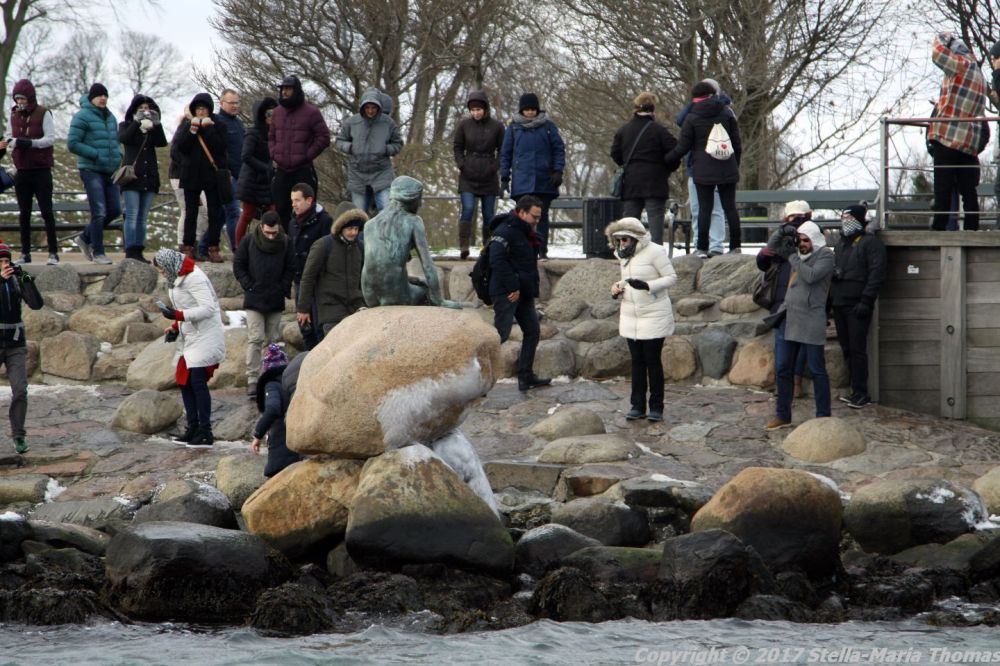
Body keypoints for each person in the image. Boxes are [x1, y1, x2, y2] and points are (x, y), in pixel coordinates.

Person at [606, 217, 677, 422]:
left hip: (654, 314)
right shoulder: (623, 255)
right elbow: (626, 279)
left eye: (625, 239)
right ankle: (637, 405)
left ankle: (656, 406)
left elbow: (671, 277)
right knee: (637, 362)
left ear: (635, 238)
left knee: (652, 361)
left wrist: (648, 286)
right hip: (631, 315)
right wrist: (617, 287)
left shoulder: (655, 251)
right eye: (618, 240)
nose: (621, 244)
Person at [154, 248, 226, 447]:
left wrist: (179, 316)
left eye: (163, 270)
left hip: (205, 335)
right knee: (184, 380)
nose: (162, 274)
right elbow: (185, 307)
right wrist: (175, 326)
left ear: (170, 265)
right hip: (190, 335)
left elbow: (208, 308)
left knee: (197, 381)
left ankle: (205, 431)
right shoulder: (176, 277)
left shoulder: (195, 278)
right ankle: (192, 427)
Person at [767, 221, 834, 430]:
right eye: (799, 240)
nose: (802, 244)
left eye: (806, 240)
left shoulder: (826, 255)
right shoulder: (796, 253)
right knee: (782, 368)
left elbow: (811, 276)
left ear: (814, 239)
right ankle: (783, 415)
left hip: (811, 319)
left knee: (817, 369)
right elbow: (771, 246)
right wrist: (782, 232)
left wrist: (792, 257)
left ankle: (823, 416)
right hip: (789, 318)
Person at [664, 81, 742, 259]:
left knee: (704, 209)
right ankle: (735, 246)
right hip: (727, 167)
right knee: (730, 207)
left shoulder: (692, 117)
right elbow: (737, 144)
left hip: (702, 170)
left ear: (695, 98)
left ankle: (702, 248)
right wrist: (734, 164)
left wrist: (666, 160)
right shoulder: (727, 113)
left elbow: (682, 147)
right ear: (713, 94)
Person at [360, 176, 459, 308]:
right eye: (420, 199)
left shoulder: (369, 225)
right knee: (425, 290)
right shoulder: (413, 221)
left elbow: (376, 265)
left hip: (369, 295)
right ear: (411, 199)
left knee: (416, 282)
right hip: (396, 296)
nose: (420, 204)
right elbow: (428, 266)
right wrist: (439, 300)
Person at [488, 195, 551, 391]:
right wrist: (513, 287)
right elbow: (496, 260)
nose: (537, 221)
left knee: (532, 331)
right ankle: (478, 379)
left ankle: (526, 376)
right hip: (507, 292)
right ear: (522, 212)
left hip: (523, 291)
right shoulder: (505, 230)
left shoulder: (526, 232)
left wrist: (524, 288)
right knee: (499, 336)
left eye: (539, 217)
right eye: (534, 216)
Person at [928, 32, 988, 231]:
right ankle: (972, 230)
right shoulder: (979, 75)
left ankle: (938, 230)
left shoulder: (960, 64)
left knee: (942, 188)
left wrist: (943, 38)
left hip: (948, 136)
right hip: (968, 141)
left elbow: (937, 54)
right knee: (968, 190)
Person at [233, 210, 295, 397]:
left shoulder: (286, 242)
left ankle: (268, 376)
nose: (271, 236)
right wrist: (249, 285)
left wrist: (283, 287)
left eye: (274, 233)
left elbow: (291, 267)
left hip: (275, 298)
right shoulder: (249, 241)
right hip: (254, 298)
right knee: (255, 338)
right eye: (268, 232)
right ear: (261, 227)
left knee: (272, 340)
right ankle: (252, 379)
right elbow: (238, 265)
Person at [831, 205, 887, 409]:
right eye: (843, 217)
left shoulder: (870, 243)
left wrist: (866, 300)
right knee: (847, 349)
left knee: (857, 349)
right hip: (839, 302)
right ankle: (855, 390)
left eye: (849, 217)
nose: (845, 221)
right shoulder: (840, 243)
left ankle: (862, 393)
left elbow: (877, 273)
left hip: (857, 305)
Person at [499, 93, 565, 259]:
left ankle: (542, 251)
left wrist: (558, 170)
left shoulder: (548, 127)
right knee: (522, 217)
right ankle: (523, 250)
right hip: (522, 180)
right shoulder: (513, 128)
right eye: (527, 109)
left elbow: (558, 149)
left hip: (545, 179)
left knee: (541, 217)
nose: (530, 112)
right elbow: (506, 154)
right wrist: (505, 177)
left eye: (533, 109)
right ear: (522, 110)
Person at [757, 201, 812, 398]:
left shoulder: (813, 236)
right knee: (782, 345)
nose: (796, 222)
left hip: (804, 299)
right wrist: (781, 233)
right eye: (792, 218)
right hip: (781, 300)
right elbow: (762, 260)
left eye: (800, 217)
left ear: (809, 217)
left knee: (802, 345)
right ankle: (783, 384)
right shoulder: (781, 238)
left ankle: (796, 382)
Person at [610, 92, 680, 245]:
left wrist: (628, 164)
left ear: (636, 108)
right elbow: (675, 151)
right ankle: (656, 252)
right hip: (655, 181)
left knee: (629, 224)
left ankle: (628, 252)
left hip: (631, 181)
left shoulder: (624, 130)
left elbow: (615, 153)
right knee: (655, 222)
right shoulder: (659, 130)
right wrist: (666, 168)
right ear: (653, 109)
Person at [67, 83, 121, 265]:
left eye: (105, 95)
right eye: (99, 95)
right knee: (99, 212)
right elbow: (72, 143)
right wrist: (95, 154)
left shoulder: (111, 117)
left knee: (115, 210)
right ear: (91, 98)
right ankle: (98, 252)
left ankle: (84, 237)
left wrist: (119, 155)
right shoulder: (82, 116)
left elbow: (115, 141)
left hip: (110, 170)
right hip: (91, 170)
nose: (103, 98)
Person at [6, 79, 59, 265]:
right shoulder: (13, 115)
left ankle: (53, 252)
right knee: (24, 213)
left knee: (46, 212)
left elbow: (50, 138)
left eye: (23, 99)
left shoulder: (43, 113)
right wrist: (13, 143)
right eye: (17, 99)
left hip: (41, 170)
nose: (20, 102)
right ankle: (25, 252)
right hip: (22, 170)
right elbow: (8, 136)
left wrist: (31, 144)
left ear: (30, 98)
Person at [172, 92, 230, 262]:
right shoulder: (187, 124)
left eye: (204, 108)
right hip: (191, 174)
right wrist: (193, 129)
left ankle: (213, 248)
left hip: (211, 175)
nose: (201, 111)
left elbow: (221, 147)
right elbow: (181, 147)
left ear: (209, 109)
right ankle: (188, 247)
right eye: (198, 109)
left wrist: (208, 128)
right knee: (191, 212)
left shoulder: (218, 124)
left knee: (214, 212)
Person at [676, 79, 730, 256]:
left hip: (712, 166)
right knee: (698, 208)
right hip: (699, 167)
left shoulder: (723, 110)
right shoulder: (696, 111)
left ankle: (714, 245)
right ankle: (703, 244)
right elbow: (680, 121)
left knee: (712, 209)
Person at [297, 203, 367, 338]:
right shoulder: (323, 245)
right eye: (350, 228)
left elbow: (365, 278)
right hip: (331, 311)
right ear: (340, 227)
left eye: (356, 228)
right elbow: (308, 278)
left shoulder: (360, 247)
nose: (354, 232)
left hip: (356, 308)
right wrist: (303, 309)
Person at [270, 75, 331, 228]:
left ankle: (306, 241)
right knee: (281, 211)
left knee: (306, 211)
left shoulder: (312, 112)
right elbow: (271, 136)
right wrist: (274, 153)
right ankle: (285, 242)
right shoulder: (277, 112)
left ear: (296, 90)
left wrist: (307, 155)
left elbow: (324, 137)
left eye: (288, 89)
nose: (284, 92)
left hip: (302, 170)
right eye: (283, 89)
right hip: (282, 171)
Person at [0, 241, 43, 453]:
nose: (4, 265)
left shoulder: (16, 280)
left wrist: (26, 279)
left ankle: (19, 436)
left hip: (15, 343)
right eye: (0, 261)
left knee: (20, 390)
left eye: (7, 261)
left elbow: (36, 304)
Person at [335, 87, 404, 216]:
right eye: (367, 107)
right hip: (357, 174)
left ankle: (384, 230)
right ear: (363, 107)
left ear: (378, 107)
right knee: (358, 215)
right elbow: (339, 141)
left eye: (373, 107)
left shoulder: (388, 123)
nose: (370, 111)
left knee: (387, 212)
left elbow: (398, 143)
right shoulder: (352, 122)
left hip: (381, 173)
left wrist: (386, 149)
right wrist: (350, 147)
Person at [452, 90, 504, 258]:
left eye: (479, 109)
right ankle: (464, 246)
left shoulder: (497, 126)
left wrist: (494, 166)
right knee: (468, 208)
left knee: (488, 214)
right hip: (468, 174)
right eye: (473, 110)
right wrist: (462, 165)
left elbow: (503, 150)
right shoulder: (464, 125)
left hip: (489, 175)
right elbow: (457, 147)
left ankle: (487, 247)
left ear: (485, 109)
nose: (476, 113)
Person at [117, 94, 167, 263]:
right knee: (132, 214)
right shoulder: (125, 125)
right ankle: (130, 250)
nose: (145, 111)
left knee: (142, 217)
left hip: (149, 177)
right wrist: (137, 122)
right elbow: (124, 138)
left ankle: (139, 249)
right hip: (131, 177)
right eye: (141, 109)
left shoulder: (152, 129)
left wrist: (156, 123)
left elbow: (162, 142)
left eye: (148, 109)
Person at [289, 183, 334, 349]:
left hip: (319, 283)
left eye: (297, 200)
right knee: (305, 328)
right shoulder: (292, 222)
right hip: (299, 281)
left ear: (309, 200)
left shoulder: (325, 221)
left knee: (320, 328)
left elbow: (329, 252)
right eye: (292, 200)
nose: (293, 204)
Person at [251, 344, 303, 478]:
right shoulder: (294, 382)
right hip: (298, 445)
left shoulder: (272, 385)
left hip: (282, 450)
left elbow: (272, 409)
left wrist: (258, 434)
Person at [235, 97, 279, 247]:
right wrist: (265, 168)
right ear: (261, 115)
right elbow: (246, 156)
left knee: (273, 214)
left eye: (274, 113)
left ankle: (269, 246)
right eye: (268, 114)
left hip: (268, 180)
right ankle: (240, 249)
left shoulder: (275, 133)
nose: (272, 117)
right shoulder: (253, 133)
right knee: (247, 215)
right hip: (252, 180)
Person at [169, 110, 209, 249]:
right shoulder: (185, 128)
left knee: (202, 211)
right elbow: (175, 152)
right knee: (188, 210)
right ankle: (184, 243)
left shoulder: (202, 128)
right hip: (180, 176)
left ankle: (195, 242)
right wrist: (189, 166)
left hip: (194, 176)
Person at [212, 88, 245, 253]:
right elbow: (217, 150)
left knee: (221, 215)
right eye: (231, 103)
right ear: (222, 103)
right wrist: (225, 171)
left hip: (241, 175)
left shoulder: (239, 124)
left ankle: (205, 246)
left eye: (237, 102)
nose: (235, 106)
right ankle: (237, 249)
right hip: (226, 175)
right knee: (233, 211)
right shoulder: (217, 122)